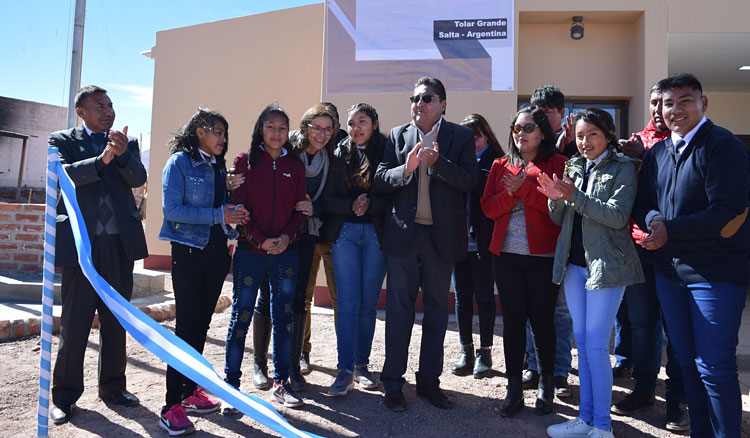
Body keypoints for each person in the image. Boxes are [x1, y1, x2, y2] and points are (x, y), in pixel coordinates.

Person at [633, 73, 750, 438]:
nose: (676, 109)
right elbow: (644, 204)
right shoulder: (657, 153)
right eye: (669, 103)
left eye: (685, 100)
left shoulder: (722, 145)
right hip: (670, 274)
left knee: (714, 366)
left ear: (703, 103)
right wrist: (654, 220)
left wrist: (672, 229)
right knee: (687, 363)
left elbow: (728, 209)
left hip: (714, 275)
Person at [374, 76, 478, 412]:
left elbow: (470, 180)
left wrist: (439, 164)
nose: (419, 104)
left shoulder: (460, 136)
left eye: (428, 98)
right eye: (415, 98)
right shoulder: (397, 135)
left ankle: (429, 382)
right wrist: (408, 167)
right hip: (404, 236)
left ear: (443, 104)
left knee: (435, 310)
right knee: (399, 311)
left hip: (440, 238)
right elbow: (381, 178)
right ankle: (393, 383)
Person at [540, 108, 643, 438]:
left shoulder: (624, 168)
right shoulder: (574, 166)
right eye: (581, 136)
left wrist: (575, 197)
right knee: (582, 345)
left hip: (607, 268)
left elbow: (616, 215)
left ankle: (602, 425)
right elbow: (560, 218)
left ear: (609, 135)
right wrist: (557, 199)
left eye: (593, 135)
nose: (585, 142)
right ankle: (585, 419)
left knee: (597, 346)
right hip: (573, 267)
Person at [49, 85, 148, 424]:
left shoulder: (126, 142)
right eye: (99, 106)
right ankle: (64, 396)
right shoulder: (61, 141)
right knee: (75, 323)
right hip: (82, 249)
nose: (107, 111)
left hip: (119, 247)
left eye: (110, 105)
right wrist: (102, 159)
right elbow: (64, 178)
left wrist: (120, 155)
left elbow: (138, 178)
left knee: (116, 320)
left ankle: (113, 387)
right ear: (81, 112)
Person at [157, 108, 249, 435]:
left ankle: (190, 392)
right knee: (186, 328)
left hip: (215, 255)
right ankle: (171, 407)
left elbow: (220, 211)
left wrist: (232, 211)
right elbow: (173, 210)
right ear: (199, 131)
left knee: (201, 326)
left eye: (225, 134)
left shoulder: (216, 166)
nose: (223, 139)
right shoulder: (179, 163)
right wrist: (219, 214)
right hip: (189, 253)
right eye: (218, 133)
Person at [610, 80, 689, 432]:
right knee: (642, 325)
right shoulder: (634, 145)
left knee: (677, 330)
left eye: (665, 103)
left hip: (676, 253)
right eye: (655, 103)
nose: (659, 110)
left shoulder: (682, 143)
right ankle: (643, 389)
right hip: (638, 250)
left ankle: (678, 401)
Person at [480, 107, 567, 416]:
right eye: (517, 128)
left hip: (543, 257)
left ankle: (546, 384)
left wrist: (525, 190)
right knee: (513, 322)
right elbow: (488, 209)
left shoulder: (558, 164)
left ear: (542, 132)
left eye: (528, 127)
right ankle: (514, 387)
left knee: (543, 321)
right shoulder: (500, 165)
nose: (521, 133)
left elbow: (559, 210)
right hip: (506, 257)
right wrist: (512, 196)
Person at [224, 105, 307, 409]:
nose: (276, 133)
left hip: (286, 254)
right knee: (241, 317)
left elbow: (301, 210)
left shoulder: (296, 166)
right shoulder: (244, 162)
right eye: (270, 127)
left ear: (288, 132)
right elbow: (240, 209)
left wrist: (285, 238)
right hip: (250, 253)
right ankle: (231, 386)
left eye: (282, 128)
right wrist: (261, 241)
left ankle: (281, 383)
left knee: (284, 319)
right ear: (261, 128)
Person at [323, 103, 388, 396]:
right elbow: (327, 199)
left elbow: (397, 194)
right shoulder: (338, 153)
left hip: (376, 233)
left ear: (374, 123)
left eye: (362, 121)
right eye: (351, 123)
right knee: (347, 304)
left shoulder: (388, 150)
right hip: (345, 234)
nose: (356, 128)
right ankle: (344, 371)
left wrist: (371, 204)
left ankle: (362, 366)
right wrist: (350, 205)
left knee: (368, 304)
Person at [522, 84, 575, 398]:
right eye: (536, 112)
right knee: (532, 307)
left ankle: (559, 371)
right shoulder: (530, 145)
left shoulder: (575, 146)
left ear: (561, 115)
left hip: (564, 243)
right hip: (532, 241)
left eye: (547, 113)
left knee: (560, 311)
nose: (540, 119)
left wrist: (567, 148)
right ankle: (533, 365)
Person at [450, 114, 503, 380]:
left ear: (486, 135)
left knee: (484, 296)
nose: (472, 142)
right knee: (462, 297)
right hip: (459, 239)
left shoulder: (496, 162)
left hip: (484, 241)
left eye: (477, 136)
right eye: (467, 138)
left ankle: (485, 351)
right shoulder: (457, 160)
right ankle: (465, 351)